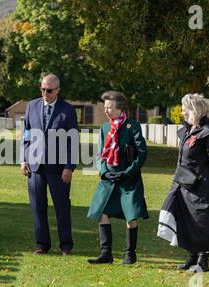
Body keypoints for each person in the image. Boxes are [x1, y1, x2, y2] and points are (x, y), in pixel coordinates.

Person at [157, 93, 209, 272]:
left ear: (194, 110)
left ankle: (202, 260)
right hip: (182, 184)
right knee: (185, 220)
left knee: (202, 222)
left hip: (201, 186)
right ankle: (191, 257)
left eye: (184, 109)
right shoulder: (186, 130)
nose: (182, 112)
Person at [87, 91, 149, 265]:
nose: (106, 110)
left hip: (129, 178)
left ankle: (130, 254)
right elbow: (101, 154)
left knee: (131, 216)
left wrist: (128, 172)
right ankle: (106, 254)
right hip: (109, 178)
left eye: (109, 107)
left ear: (119, 108)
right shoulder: (105, 127)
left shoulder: (133, 126)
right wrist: (104, 171)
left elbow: (142, 153)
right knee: (102, 212)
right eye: (105, 107)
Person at [20, 74, 79, 256]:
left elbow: (73, 140)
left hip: (59, 169)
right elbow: (26, 134)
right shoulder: (32, 106)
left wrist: (69, 167)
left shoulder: (67, 110)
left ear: (57, 90)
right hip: (35, 167)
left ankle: (66, 246)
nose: (45, 93)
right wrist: (23, 158)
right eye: (42, 89)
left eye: (49, 90)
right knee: (38, 207)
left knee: (62, 208)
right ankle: (42, 244)